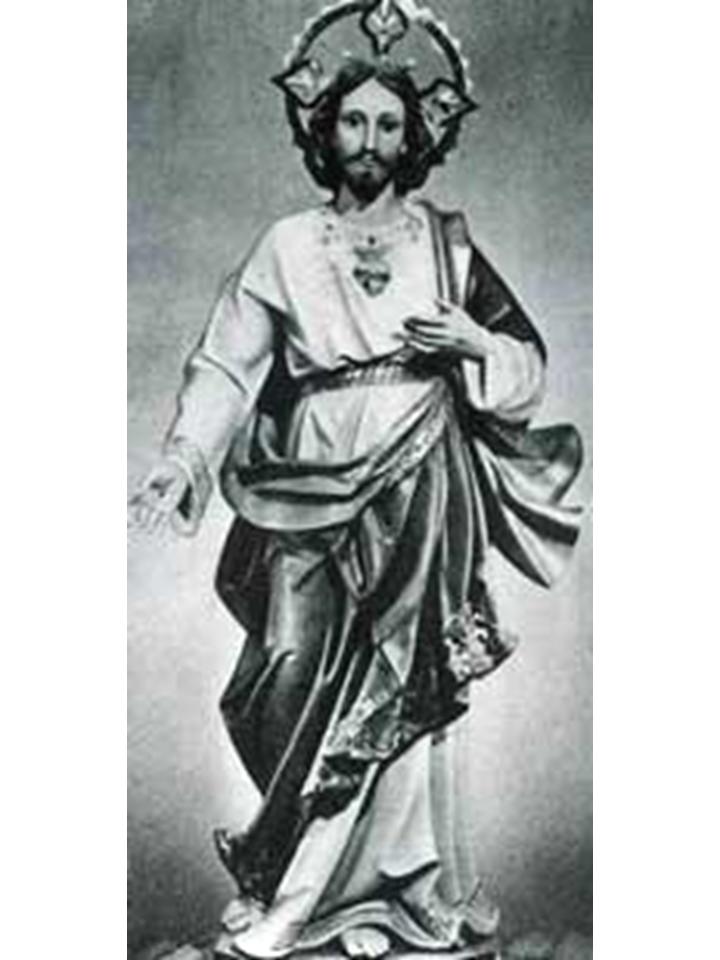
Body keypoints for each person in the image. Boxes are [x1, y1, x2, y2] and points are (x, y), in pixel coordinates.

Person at [129, 5, 582, 959]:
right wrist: (185, 456)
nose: (370, 139)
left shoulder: (446, 244)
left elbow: (526, 360)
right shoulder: (288, 245)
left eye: (388, 123)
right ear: (323, 131)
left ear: (414, 138)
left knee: (402, 675)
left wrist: (474, 341)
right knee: (289, 669)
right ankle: (302, 874)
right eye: (352, 121)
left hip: (421, 480)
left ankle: (394, 891)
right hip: (307, 481)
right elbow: (227, 363)